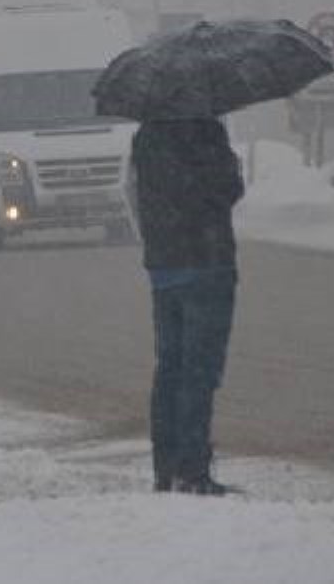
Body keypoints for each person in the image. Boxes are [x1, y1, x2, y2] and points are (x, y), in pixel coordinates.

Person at [130, 117, 245, 495]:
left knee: (170, 369)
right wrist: (230, 165)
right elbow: (228, 189)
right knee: (200, 370)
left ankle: (165, 467)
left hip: (164, 268)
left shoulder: (146, 135)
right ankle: (192, 469)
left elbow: (136, 194)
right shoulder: (205, 129)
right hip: (206, 264)